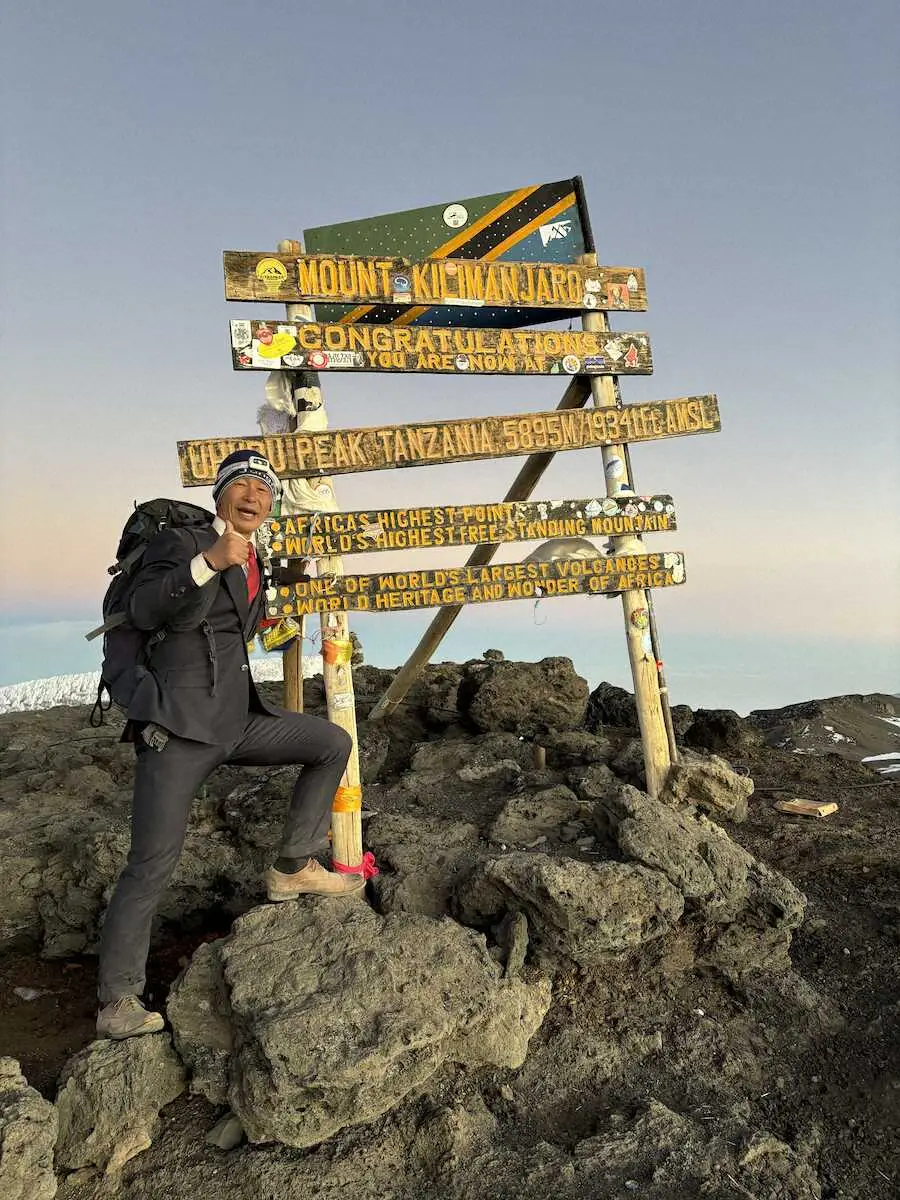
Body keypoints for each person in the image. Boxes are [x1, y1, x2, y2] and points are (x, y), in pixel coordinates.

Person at [96, 449, 362, 1040]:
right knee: (151, 864)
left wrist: (290, 581)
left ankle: (293, 865)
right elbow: (145, 606)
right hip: (179, 732)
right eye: (242, 484)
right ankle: (117, 1000)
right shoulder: (185, 543)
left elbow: (239, 629)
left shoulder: (254, 561)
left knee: (329, 742)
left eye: (265, 490)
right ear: (220, 495)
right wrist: (210, 561)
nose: (254, 496)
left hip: (237, 722)